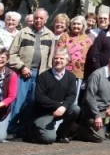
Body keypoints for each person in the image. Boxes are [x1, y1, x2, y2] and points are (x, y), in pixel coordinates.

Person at [7, 8, 55, 137]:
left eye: (41, 18)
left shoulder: (50, 35)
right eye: (36, 18)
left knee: (32, 103)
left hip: (41, 75)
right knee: (18, 102)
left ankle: (23, 129)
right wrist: (22, 67)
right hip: (23, 74)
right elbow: (11, 54)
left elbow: (51, 58)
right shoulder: (23, 33)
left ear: (46, 20)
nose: (38, 20)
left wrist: (47, 75)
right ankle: (10, 129)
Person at [30, 49, 80, 144]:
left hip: (61, 111)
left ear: (67, 61)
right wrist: (59, 105)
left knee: (75, 109)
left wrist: (63, 106)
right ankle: (33, 130)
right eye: (56, 58)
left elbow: (72, 95)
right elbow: (39, 97)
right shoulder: (43, 76)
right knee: (48, 139)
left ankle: (61, 135)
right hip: (44, 113)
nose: (58, 60)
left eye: (62, 58)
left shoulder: (71, 77)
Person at [55, 15, 92, 96]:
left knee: (73, 95)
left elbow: (90, 57)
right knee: (61, 94)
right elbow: (58, 52)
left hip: (79, 72)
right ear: (71, 25)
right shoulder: (65, 36)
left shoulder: (88, 40)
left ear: (83, 26)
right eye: (74, 24)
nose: (76, 26)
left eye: (78, 24)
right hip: (64, 71)